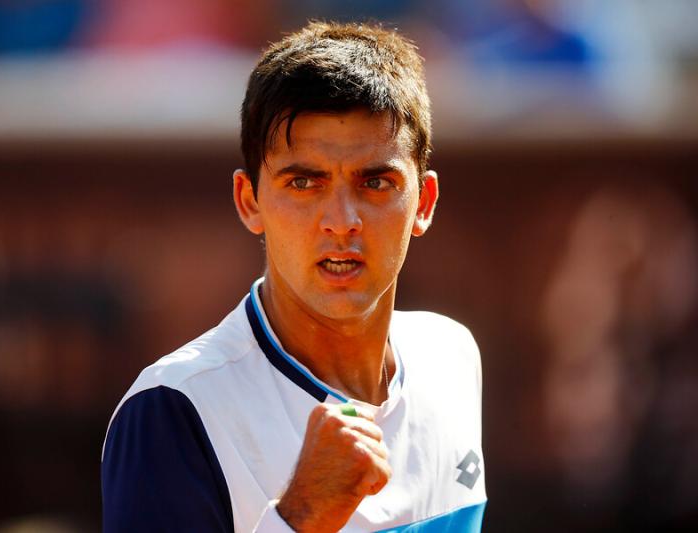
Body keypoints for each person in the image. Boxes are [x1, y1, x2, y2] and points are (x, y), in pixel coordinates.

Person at [102, 21, 486, 532]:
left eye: (376, 182)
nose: (341, 221)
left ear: (424, 202)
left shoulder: (452, 356)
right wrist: (301, 517)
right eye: (304, 183)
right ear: (249, 201)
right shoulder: (173, 408)